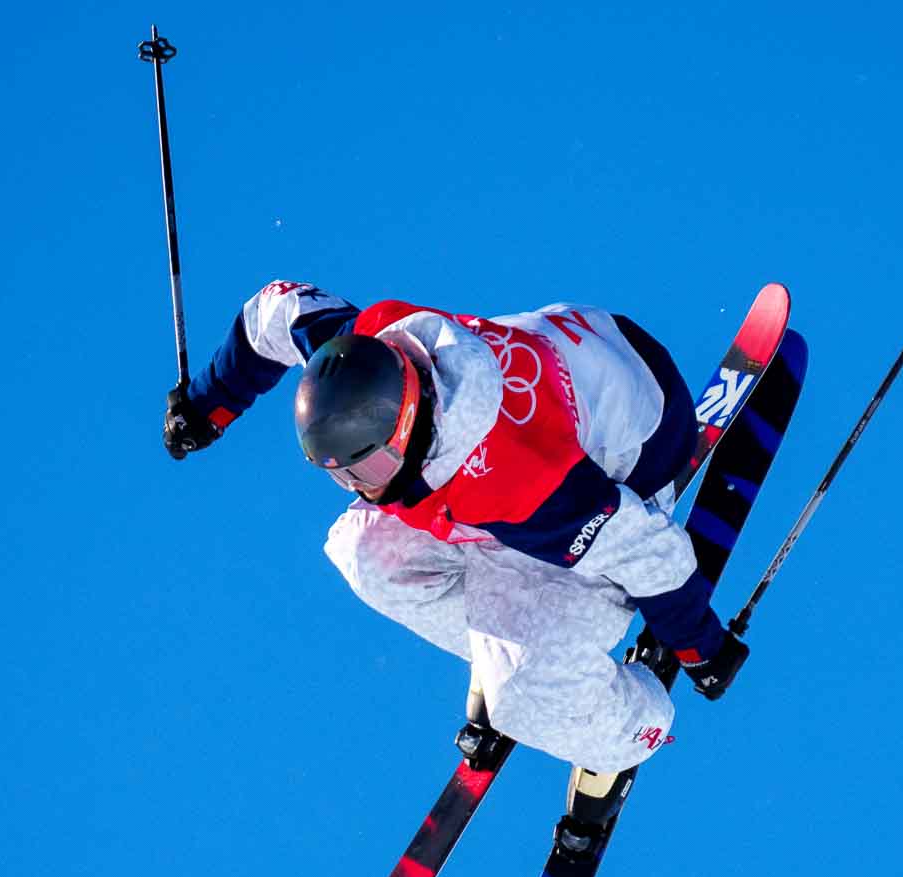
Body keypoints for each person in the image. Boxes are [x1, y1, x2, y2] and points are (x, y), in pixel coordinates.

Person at [163, 280, 748, 785]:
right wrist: (209, 404)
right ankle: (506, 648)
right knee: (361, 549)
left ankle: (636, 725)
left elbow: (650, 550)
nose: (362, 488)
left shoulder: (526, 484)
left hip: (632, 456)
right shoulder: (363, 348)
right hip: (587, 360)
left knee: (524, 701)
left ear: (406, 423)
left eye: (366, 468)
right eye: (342, 476)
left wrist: (699, 647)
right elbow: (275, 310)